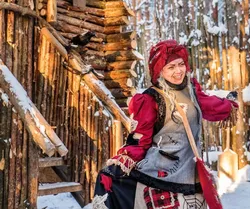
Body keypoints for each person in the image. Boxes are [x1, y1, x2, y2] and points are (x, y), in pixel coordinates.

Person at [93, 40, 238, 209]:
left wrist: (228, 105)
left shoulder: (191, 90)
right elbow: (140, 139)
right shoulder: (150, 99)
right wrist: (121, 162)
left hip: (191, 174)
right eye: (171, 67)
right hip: (159, 177)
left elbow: (208, 105)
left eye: (181, 64)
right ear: (159, 71)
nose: (178, 71)